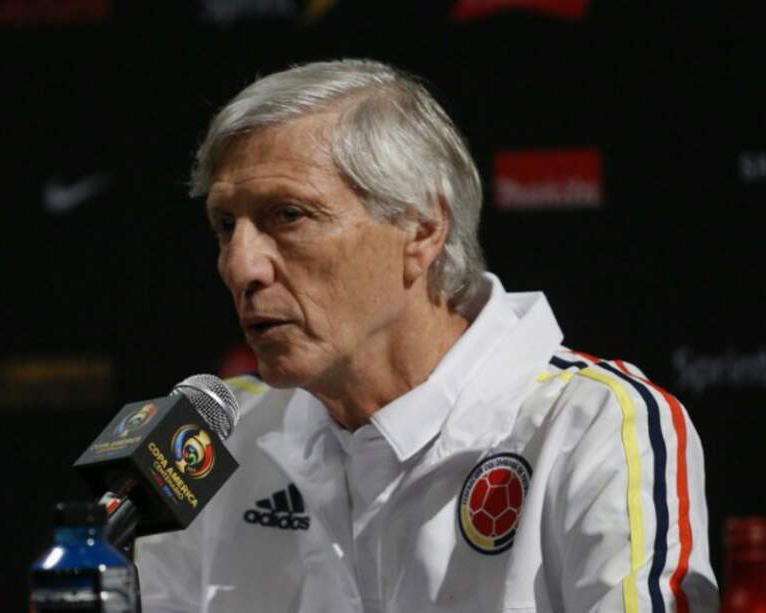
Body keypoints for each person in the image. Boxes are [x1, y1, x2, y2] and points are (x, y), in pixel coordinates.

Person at [136, 59, 719, 612]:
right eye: (226, 225)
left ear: (421, 228)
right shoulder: (205, 440)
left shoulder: (594, 423)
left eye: (288, 215)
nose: (241, 266)